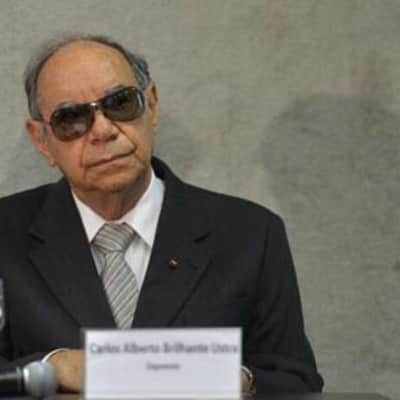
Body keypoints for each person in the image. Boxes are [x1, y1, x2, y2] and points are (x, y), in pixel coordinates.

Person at [0, 34, 323, 394]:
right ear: (42, 140)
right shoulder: (5, 236)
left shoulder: (250, 234)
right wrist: (53, 365)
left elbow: (296, 379)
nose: (103, 130)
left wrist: (239, 381)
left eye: (120, 103)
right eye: (71, 118)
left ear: (151, 106)